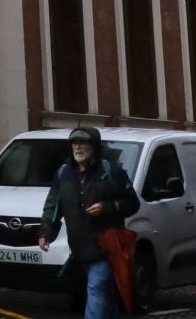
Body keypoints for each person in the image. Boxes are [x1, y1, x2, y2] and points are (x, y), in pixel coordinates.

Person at [38, 126, 139, 319]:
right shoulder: (63, 174)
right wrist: (45, 233)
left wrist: (108, 207)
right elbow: (52, 206)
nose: (78, 148)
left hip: (107, 246)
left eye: (83, 143)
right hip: (80, 247)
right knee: (104, 294)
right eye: (74, 143)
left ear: (94, 147)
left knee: (96, 288)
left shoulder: (111, 171)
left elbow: (132, 203)